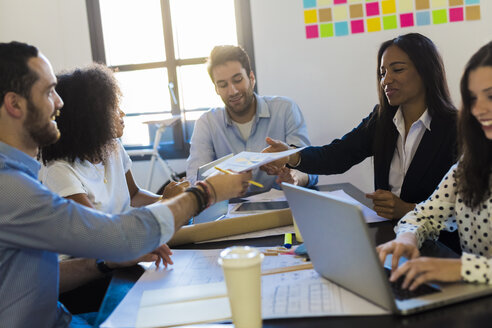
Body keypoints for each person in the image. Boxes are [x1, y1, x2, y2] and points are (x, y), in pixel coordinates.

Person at [0, 41, 251, 328]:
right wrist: (207, 192)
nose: (59, 102)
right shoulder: (10, 186)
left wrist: (106, 263)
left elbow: (37, 277)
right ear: (15, 104)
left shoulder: (20, 174)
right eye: (48, 92)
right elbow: (115, 236)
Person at [38, 64, 187, 312]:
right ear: (91, 117)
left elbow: (135, 195)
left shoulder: (112, 147)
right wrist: (169, 204)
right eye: (114, 107)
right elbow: (98, 236)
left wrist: (171, 198)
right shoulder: (59, 170)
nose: (122, 114)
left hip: (121, 257)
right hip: (87, 275)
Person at [262, 33, 457, 221]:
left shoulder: (455, 128)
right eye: (382, 73)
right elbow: (337, 155)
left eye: (397, 70)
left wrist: (408, 210)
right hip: (390, 235)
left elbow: (465, 206)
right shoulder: (381, 120)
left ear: (426, 71)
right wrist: (289, 155)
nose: (386, 80)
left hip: (438, 244)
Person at [376, 41, 492, 290]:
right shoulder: (469, 166)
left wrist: (463, 268)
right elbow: (421, 216)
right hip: (475, 300)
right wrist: (407, 239)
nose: (478, 109)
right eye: (472, 97)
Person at [186, 45, 318, 193]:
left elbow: (310, 169)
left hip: (282, 211)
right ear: (216, 89)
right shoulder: (207, 123)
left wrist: (294, 178)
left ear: (251, 78)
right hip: (231, 214)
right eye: (223, 85)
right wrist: (220, 182)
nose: (232, 91)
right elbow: (194, 180)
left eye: (237, 80)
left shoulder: (285, 109)